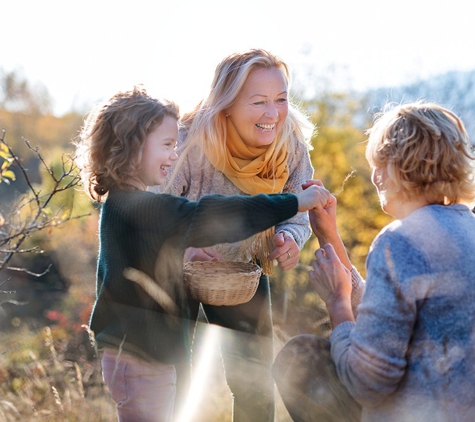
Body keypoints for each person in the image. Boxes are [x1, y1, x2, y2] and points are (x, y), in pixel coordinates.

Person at [74, 86, 334, 422]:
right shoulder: (141, 206)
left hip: (142, 355)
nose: (174, 154)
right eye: (167, 145)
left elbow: (150, 252)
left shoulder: (127, 204)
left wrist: (187, 251)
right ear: (131, 146)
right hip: (140, 358)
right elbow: (211, 216)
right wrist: (295, 202)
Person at [153, 48, 364, 421]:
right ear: (228, 104)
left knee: (253, 378)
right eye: (259, 102)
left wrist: (288, 238)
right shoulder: (190, 141)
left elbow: (300, 207)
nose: (273, 113)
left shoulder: (290, 145)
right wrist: (182, 249)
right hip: (178, 267)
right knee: (173, 376)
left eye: (281, 99)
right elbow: (156, 206)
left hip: (244, 274)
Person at [272, 101, 475, 422]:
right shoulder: (467, 229)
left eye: (380, 164)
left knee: (301, 357)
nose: (375, 177)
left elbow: (367, 384)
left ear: (403, 164)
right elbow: (385, 319)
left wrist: (338, 303)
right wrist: (329, 236)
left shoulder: (401, 240)